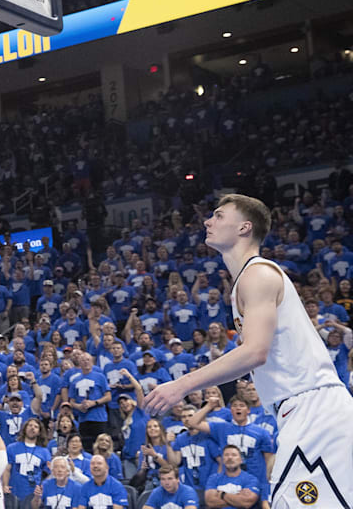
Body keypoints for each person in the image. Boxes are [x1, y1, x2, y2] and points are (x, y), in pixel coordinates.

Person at [142, 194, 353, 507]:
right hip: (307, 408)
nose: (208, 221)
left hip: (314, 408)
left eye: (218, 215)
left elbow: (254, 353)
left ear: (244, 227)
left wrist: (181, 386)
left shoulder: (258, 274)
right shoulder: (247, 279)